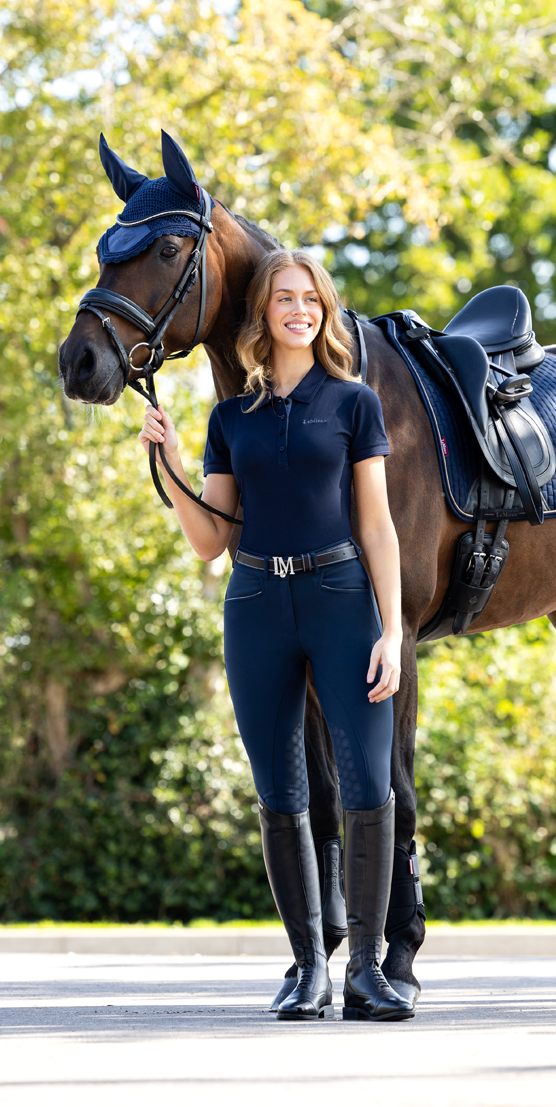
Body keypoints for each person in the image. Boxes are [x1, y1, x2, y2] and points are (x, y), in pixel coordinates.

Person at [138, 248, 413, 1022]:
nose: (300, 310)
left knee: (367, 781)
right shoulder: (231, 418)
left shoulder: (354, 403)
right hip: (255, 600)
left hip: (341, 596)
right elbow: (208, 539)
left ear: (324, 313)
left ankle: (366, 970)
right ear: (263, 312)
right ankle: (306, 970)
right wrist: (167, 462)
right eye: (285, 298)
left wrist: (391, 631)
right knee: (280, 790)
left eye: (312, 300)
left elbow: (378, 525)